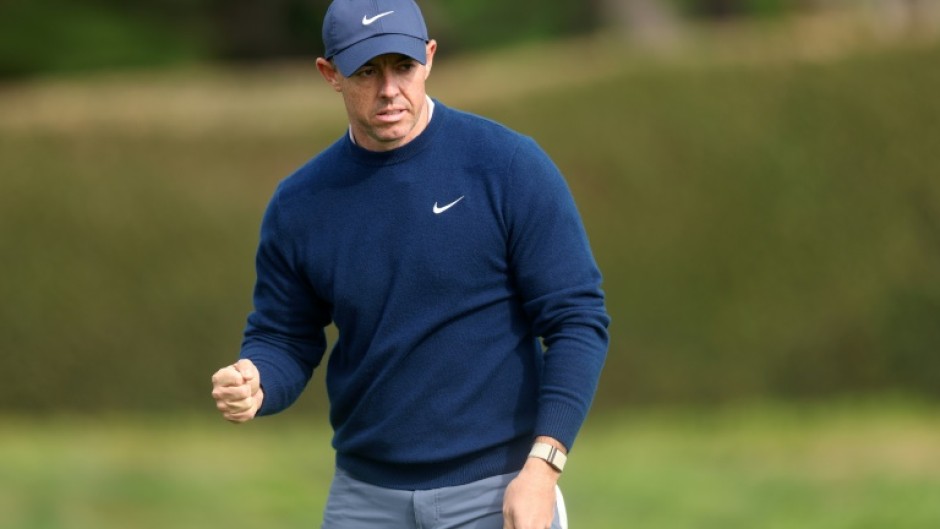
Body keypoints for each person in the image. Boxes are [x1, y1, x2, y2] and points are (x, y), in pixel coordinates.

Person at [210, 0, 609, 527]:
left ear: (430, 57)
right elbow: (285, 337)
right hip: (364, 499)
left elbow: (577, 321)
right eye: (367, 71)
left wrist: (543, 468)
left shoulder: (507, 166)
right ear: (330, 74)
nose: (389, 89)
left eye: (403, 66)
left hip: (499, 491)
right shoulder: (301, 202)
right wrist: (257, 377)